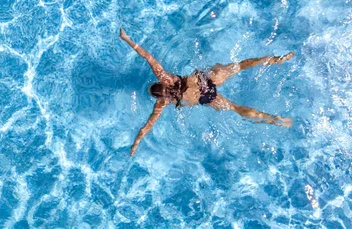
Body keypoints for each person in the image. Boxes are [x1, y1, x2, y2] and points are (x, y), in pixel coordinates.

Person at [119, 28, 295, 156]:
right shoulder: (166, 77)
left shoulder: (162, 103)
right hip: (206, 80)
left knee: (236, 108)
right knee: (240, 65)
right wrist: (127, 39)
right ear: (159, 82)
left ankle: (274, 120)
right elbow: (147, 56)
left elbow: (147, 126)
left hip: (207, 97)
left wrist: (136, 144)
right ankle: (277, 60)